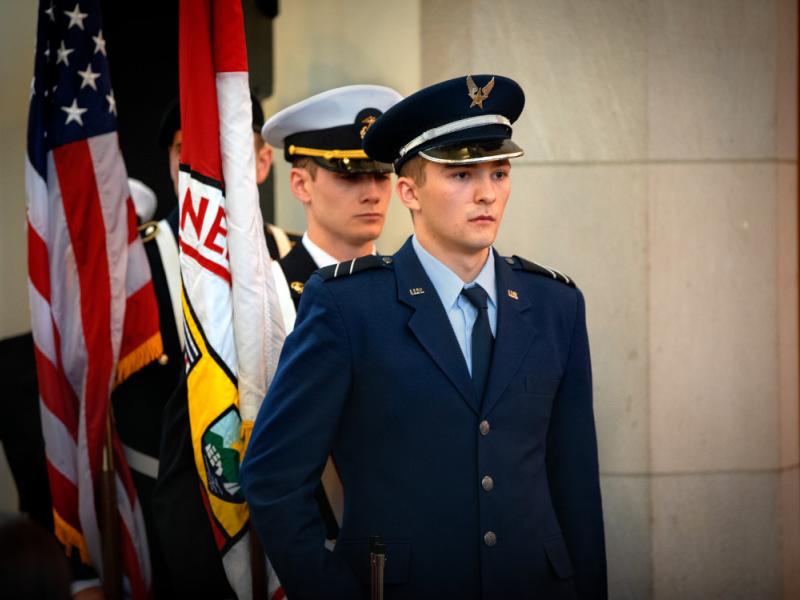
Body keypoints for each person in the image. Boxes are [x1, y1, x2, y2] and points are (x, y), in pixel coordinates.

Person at [240, 74, 607, 599]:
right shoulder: (348, 307)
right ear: (408, 190)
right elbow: (273, 479)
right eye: (460, 174)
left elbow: (575, 488)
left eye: (499, 172)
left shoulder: (555, 306)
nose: (486, 193)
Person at [152, 84, 402, 594]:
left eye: (380, 173)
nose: (372, 191)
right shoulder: (259, 306)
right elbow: (195, 472)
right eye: (348, 174)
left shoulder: (409, 296)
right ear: (300, 183)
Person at [157, 95, 300, 260]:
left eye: (226, 150)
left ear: (262, 163)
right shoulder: (140, 262)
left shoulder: (292, 256)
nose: (206, 166)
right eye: (187, 151)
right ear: (170, 161)